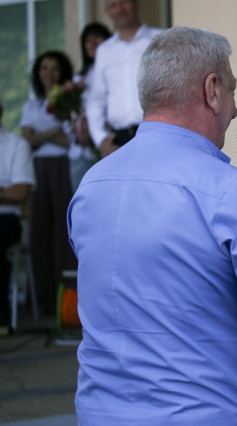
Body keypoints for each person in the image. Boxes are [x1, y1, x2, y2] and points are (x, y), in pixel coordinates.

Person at [68, 26, 237, 424]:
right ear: (212, 90)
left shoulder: (91, 185)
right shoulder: (234, 192)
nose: (235, 112)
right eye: (233, 92)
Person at [20, 50, 77, 315]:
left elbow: (70, 143)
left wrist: (41, 135)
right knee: (40, 230)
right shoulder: (31, 106)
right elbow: (27, 140)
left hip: (63, 166)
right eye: (44, 68)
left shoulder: (71, 103)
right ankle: (42, 298)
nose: (49, 73)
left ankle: (66, 298)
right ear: (38, 73)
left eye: (54, 68)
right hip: (38, 169)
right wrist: (55, 131)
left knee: (63, 231)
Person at [86, 0, 163, 158]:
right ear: (108, 12)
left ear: (137, 4)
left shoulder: (160, 39)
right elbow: (96, 101)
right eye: (113, 5)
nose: (119, 9)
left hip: (158, 134)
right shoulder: (104, 51)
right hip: (119, 141)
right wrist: (101, 140)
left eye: (124, 3)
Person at [0, 102, 36, 334]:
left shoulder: (17, 145)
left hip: (7, 219)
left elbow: (20, 192)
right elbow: (10, 192)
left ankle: (2, 315)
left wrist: (6, 195)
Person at [69, 22, 112, 193]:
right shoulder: (78, 78)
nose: (93, 43)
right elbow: (70, 113)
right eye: (88, 40)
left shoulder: (114, 73)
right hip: (80, 150)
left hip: (108, 145)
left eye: (97, 38)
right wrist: (79, 129)